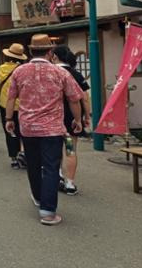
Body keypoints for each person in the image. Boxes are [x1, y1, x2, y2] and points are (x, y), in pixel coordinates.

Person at [5, 34, 84, 226]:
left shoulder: (19, 71)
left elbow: (10, 98)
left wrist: (9, 119)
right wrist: (78, 120)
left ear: (31, 51)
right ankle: (48, 211)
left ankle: (38, 197)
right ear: (50, 52)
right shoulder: (60, 73)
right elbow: (74, 98)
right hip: (52, 128)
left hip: (28, 126)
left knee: (33, 164)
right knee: (50, 167)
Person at [52, 45, 91, 195]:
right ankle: (70, 183)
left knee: (53, 149)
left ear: (55, 57)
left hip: (53, 119)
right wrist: (86, 117)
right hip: (72, 119)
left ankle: (56, 178)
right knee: (70, 149)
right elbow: (84, 98)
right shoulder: (76, 74)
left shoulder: (52, 73)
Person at [0, 43, 27, 169]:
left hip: (5, 104)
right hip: (23, 104)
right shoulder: (24, 70)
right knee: (23, 131)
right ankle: (24, 153)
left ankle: (14, 158)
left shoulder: (0, 69)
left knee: (10, 131)